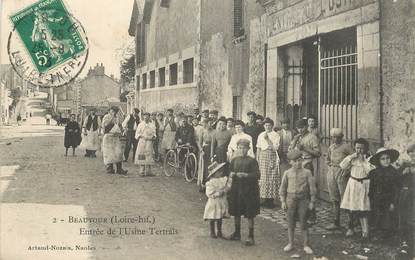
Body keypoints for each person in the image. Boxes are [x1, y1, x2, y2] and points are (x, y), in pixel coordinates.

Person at [279, 150, 316, 255]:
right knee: (290, 223)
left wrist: (312, 201)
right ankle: (290, 243)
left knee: (304, 222)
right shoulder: (287, 173)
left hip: (303, 200)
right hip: (290, 200)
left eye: (300, 160)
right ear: (290, 162)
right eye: (295, 161)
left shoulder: (307, 173)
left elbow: (312, 189)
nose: (298, 163)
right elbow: (282, 189)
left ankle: (306, 244)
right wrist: (282, 201)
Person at [226, 139, 260, 246]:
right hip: (236, 189)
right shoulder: (234, 160)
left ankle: (251, 236)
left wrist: (246, 175)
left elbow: (257, 175)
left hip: (249, 190)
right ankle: (237, 233)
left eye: (244, 148)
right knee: (236, 211)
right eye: (240, 148)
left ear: (248, 149)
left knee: (249, 213)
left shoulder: (252, 161)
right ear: (237, 149)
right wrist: (231, 175)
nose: (242, 150)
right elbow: (229, 172)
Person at [289, 118, 321, 223]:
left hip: (307, 164)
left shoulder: (312, 137)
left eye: (302, 127)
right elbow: (291, 152)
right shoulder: (297, 137)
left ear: (306, 127)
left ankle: (312, 217)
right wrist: (294, 142)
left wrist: (305, 149)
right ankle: (299, 214)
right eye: (298, 128)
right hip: (297, 165)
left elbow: (318, 153)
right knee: (297, 190)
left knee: (307, 191)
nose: (300, 130)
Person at [340, 138, 373, 238]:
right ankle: (351, 228)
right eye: (357, 148)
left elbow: (370, 171)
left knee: (363, 207)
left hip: (364, 184)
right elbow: (342, 166)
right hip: (353, 183)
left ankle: (365, 231)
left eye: (362, 148)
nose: (359, 150)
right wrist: (350, 157)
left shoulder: (369, 158)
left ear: (366, 149)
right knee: (351, 207)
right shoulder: (352, 158)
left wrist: (363, 161)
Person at [325, 128, 354, 230]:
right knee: (334, 198)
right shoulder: (331, 147)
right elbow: (327, 159)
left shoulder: (346, 147)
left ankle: (351, 224)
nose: (335, 139)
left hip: (342, 174)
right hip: (332, 173)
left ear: (341, 137)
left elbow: (353, 159)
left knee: (345, 198)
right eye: (333, 137)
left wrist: (347, 170)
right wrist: (331, 168)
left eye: (338, 137)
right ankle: (336, 222)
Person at [368, 147, 400, 240]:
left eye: (387, 158)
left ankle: (388, 235)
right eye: (383, 159)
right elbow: (372, 188)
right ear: (379, 161)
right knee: (377, 215)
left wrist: (393, 202)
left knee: (388, 217)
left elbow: (396, 189)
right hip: (377, 199)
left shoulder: (394, 173)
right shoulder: (374, 173)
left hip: (388, 200)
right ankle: (378, 233)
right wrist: (371, 198)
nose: (386, 161)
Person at [203, 162, 233, 238]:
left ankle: (219, 231)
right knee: (212, 217)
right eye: (218, 172)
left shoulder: (222, 180)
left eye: (221, 171)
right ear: (214, 174)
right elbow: (209, 193)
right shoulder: (210, 183)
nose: (221, 173)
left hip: (221, 202)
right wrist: (219, 193)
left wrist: (230, 180)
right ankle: (212, 232)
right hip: (214, 202)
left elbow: (228, 186)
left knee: (219, 217)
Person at [257, 118, 281, 209]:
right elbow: (258, 147)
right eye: (266, 125)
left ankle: (270, 200)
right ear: (264, 126)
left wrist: (267, 140)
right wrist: (258, 159)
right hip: (263, 156)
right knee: (263, 177)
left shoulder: (276, 135)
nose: (267, 127)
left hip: (271, 156)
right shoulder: (261, 135)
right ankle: (264, 199)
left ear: (272, 126)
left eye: (269, 125)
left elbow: (275, 148)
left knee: (271, 177)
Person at [398, 144, 415, 256]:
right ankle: (404, 242)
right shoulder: (404, 165)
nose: (413, 156)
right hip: (405, 194)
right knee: (403, 218)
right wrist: (403, 173)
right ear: (408, 154)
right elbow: (397, 179)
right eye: (411, 153)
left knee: (412, 219)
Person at [102, 106, 128, 175]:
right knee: (109, 153)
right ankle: (110, 168)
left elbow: (120, 125)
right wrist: (112, 117)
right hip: (108, 136)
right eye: (112, 111)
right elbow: (105, 125)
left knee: (118, 152)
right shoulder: (106, 116)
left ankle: (119, 169)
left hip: (116, 137)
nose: (114, 113)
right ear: (110, 111)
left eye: (115, 111)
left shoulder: (117, 118)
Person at [135, 112, 157, 176]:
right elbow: (137, 134)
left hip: (149, 142)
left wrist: (153, 137)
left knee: (149, 155)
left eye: (147, 117)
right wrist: (141, 136)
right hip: (142, 141)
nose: (146, 118)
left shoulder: (152, 125)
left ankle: (149, 171)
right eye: (144, 117)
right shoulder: (140, 125)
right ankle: (142, 171)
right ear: (143, 117)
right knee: (142, 155)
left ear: (149, 117)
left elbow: (154, 133)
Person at [198, 118, 215, 189]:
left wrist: (213, 153)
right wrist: (201, 150)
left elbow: (214, 143)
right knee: (204, 167)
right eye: (208, 123)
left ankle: (210, 185)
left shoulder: (214, 131)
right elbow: (199, 143)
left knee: (211, 167)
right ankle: (203, 184)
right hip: (205, 150)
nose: (210, 125)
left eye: (211, 123)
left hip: (213, 149)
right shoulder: (202, 131)